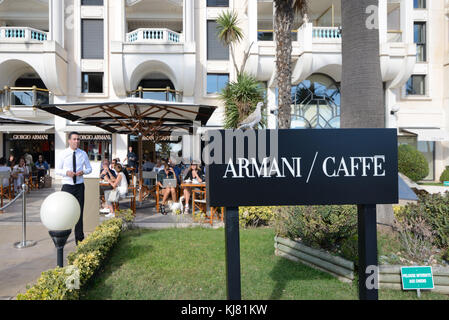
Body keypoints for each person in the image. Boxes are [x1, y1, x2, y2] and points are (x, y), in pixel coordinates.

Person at [56, 132, 92, 246]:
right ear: (69, 141)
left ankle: (79, 240)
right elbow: (57, 170)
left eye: (78, 139)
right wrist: (66, 173)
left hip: (79, 186)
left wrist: (83, 172)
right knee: (64, 212)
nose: (77, 141)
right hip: (67, 186)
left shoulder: (83, 154)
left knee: (79, 213)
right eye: (75, 139)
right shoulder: (63, 154)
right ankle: (62, 237)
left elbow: (89, 168)